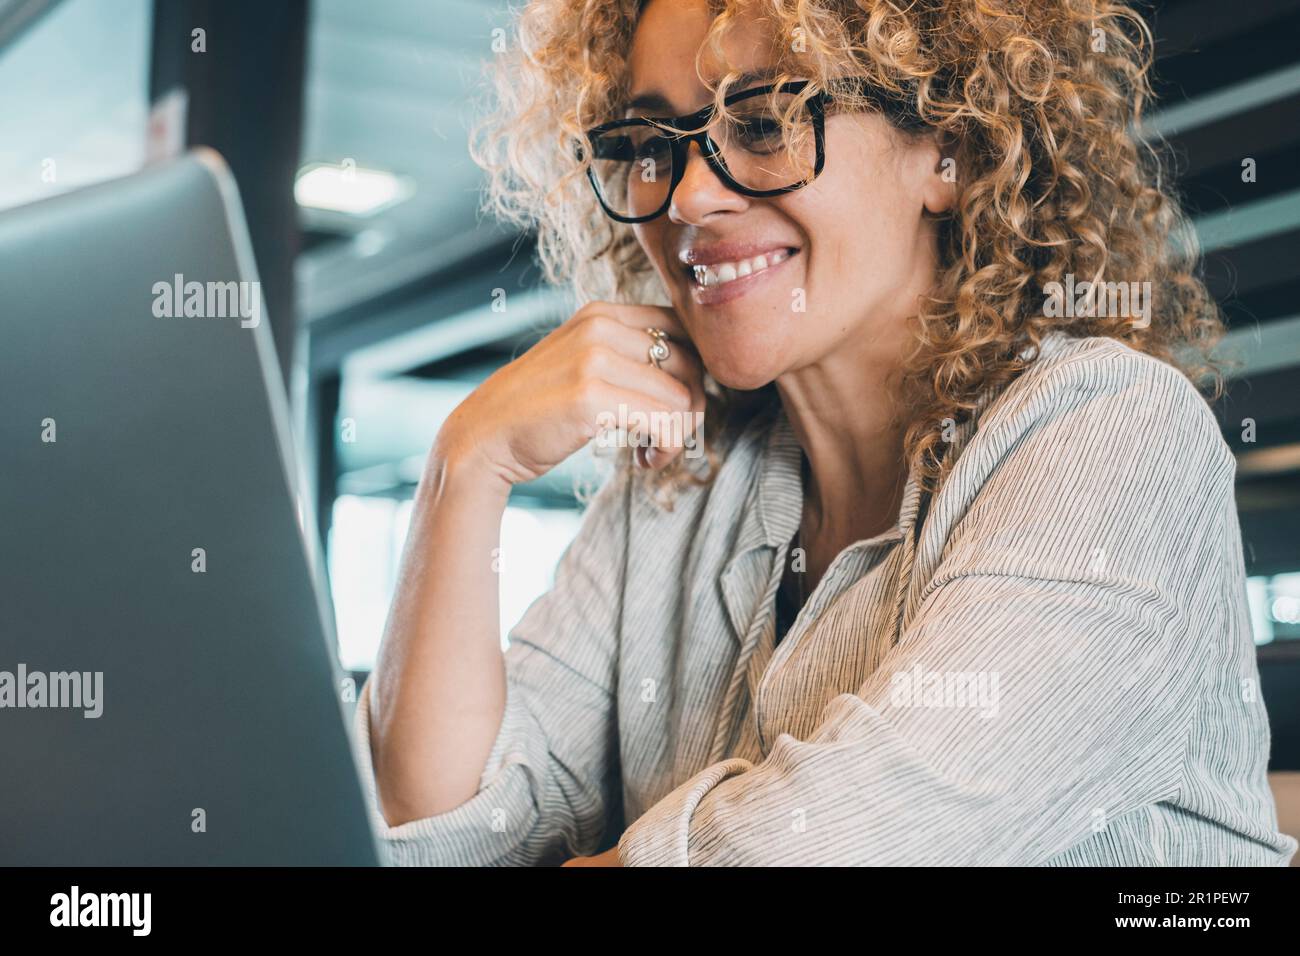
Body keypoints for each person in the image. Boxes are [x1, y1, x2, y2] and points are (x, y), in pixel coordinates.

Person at [355, 0, 1299, 866]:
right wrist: (466, 465)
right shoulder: (678, 481)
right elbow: (447, 831)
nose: (687, 197)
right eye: (651, 145)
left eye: (762, 122)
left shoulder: (1114, 435)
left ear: (948, 149)